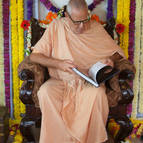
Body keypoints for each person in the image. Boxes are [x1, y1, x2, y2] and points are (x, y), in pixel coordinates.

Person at [30, 0, 125, 142]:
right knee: (45, 92)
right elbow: (34, 56)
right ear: (67, 16)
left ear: (88, 15)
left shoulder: (95, 27)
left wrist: (111, 59)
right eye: (76, 22)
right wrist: (58, 63)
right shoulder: (56, 27)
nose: (82, 26)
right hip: (60, 81)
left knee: (98, 94)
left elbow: (117, 52)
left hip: (88, 82)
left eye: (85, 20)